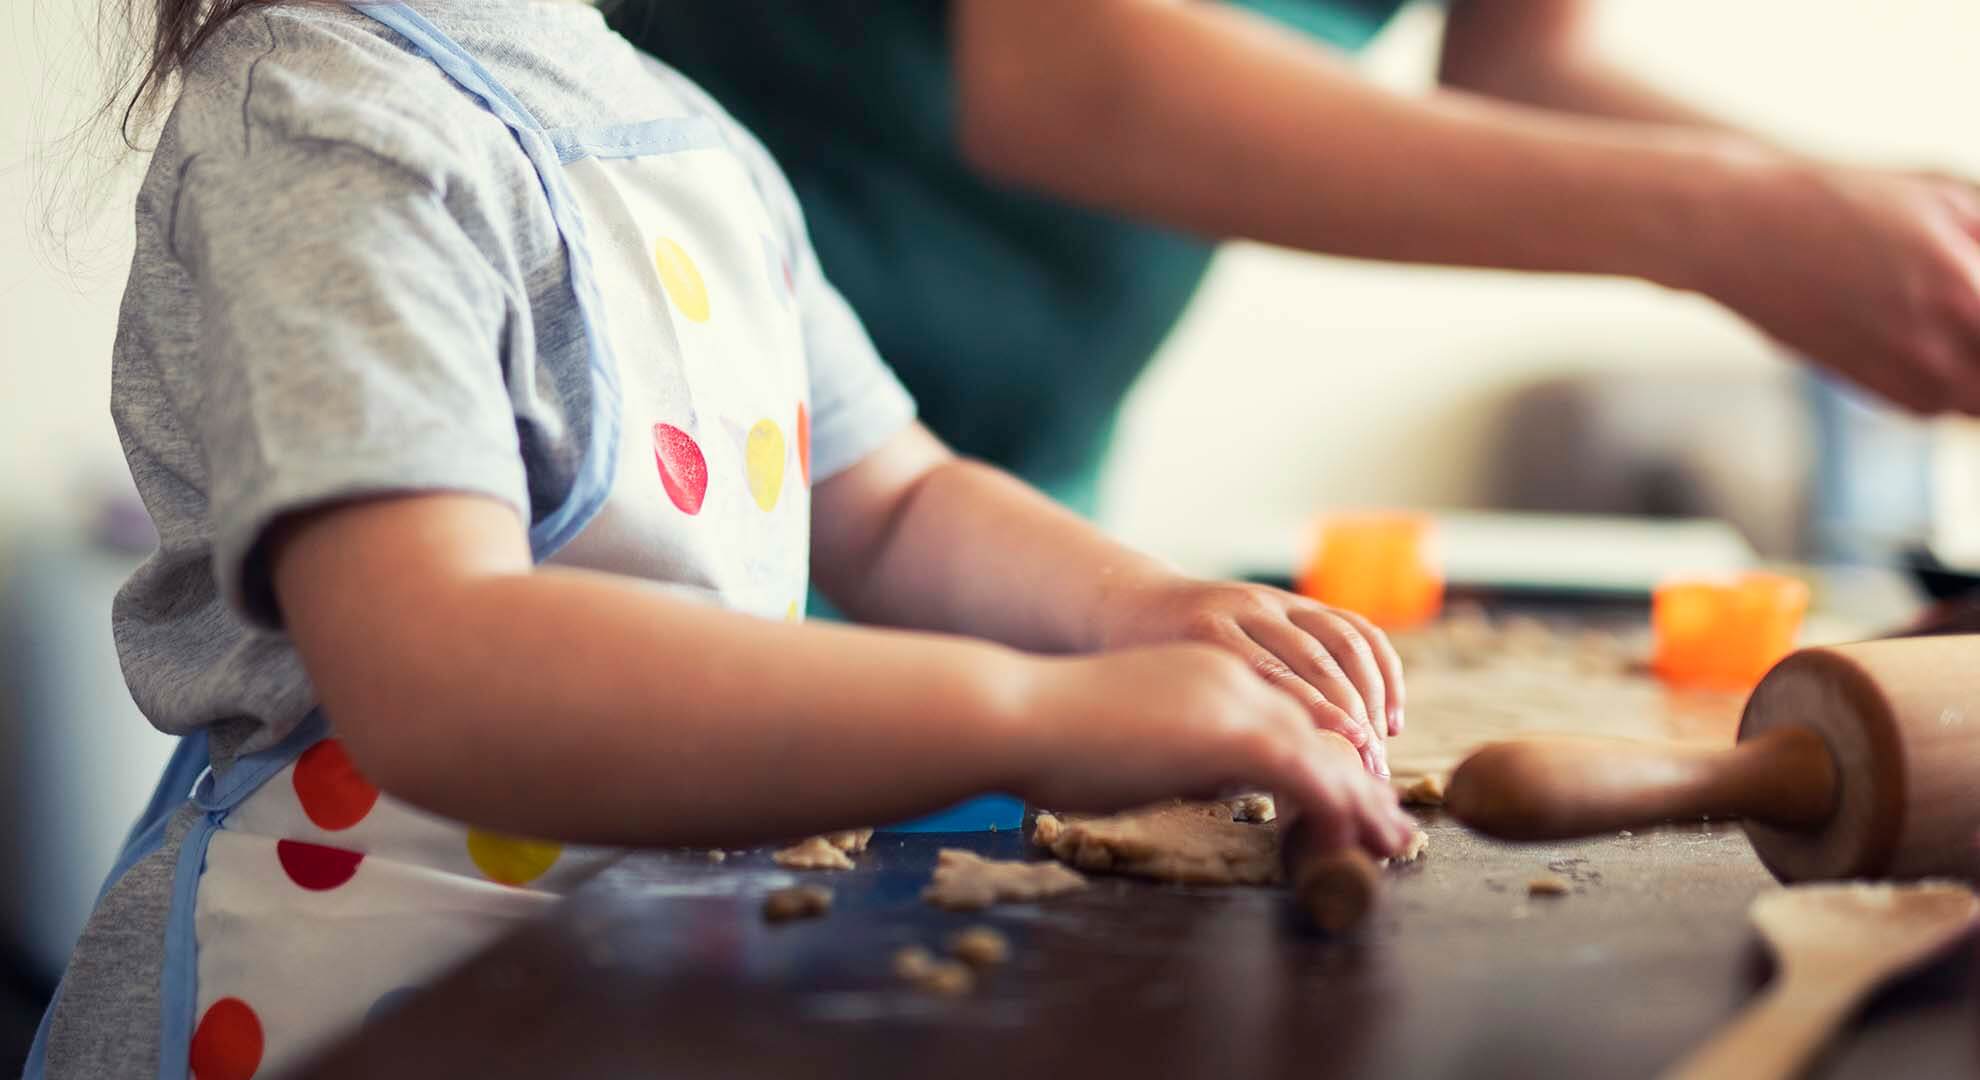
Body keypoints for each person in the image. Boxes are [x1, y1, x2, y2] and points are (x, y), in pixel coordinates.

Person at [27, 1, 1413, 1077]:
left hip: (619, 964)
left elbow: (897, 497)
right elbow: (436, 669)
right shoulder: (327, 120)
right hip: (345, 991)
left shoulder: (684, 129)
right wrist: (1035, 713)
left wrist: (1140, 609)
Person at [615, 0, 1980, 517]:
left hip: (1026, 483)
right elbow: (1062, 71)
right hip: (689, 426)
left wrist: (1862, 212)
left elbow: (1520, 60)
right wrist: (1739, 223)